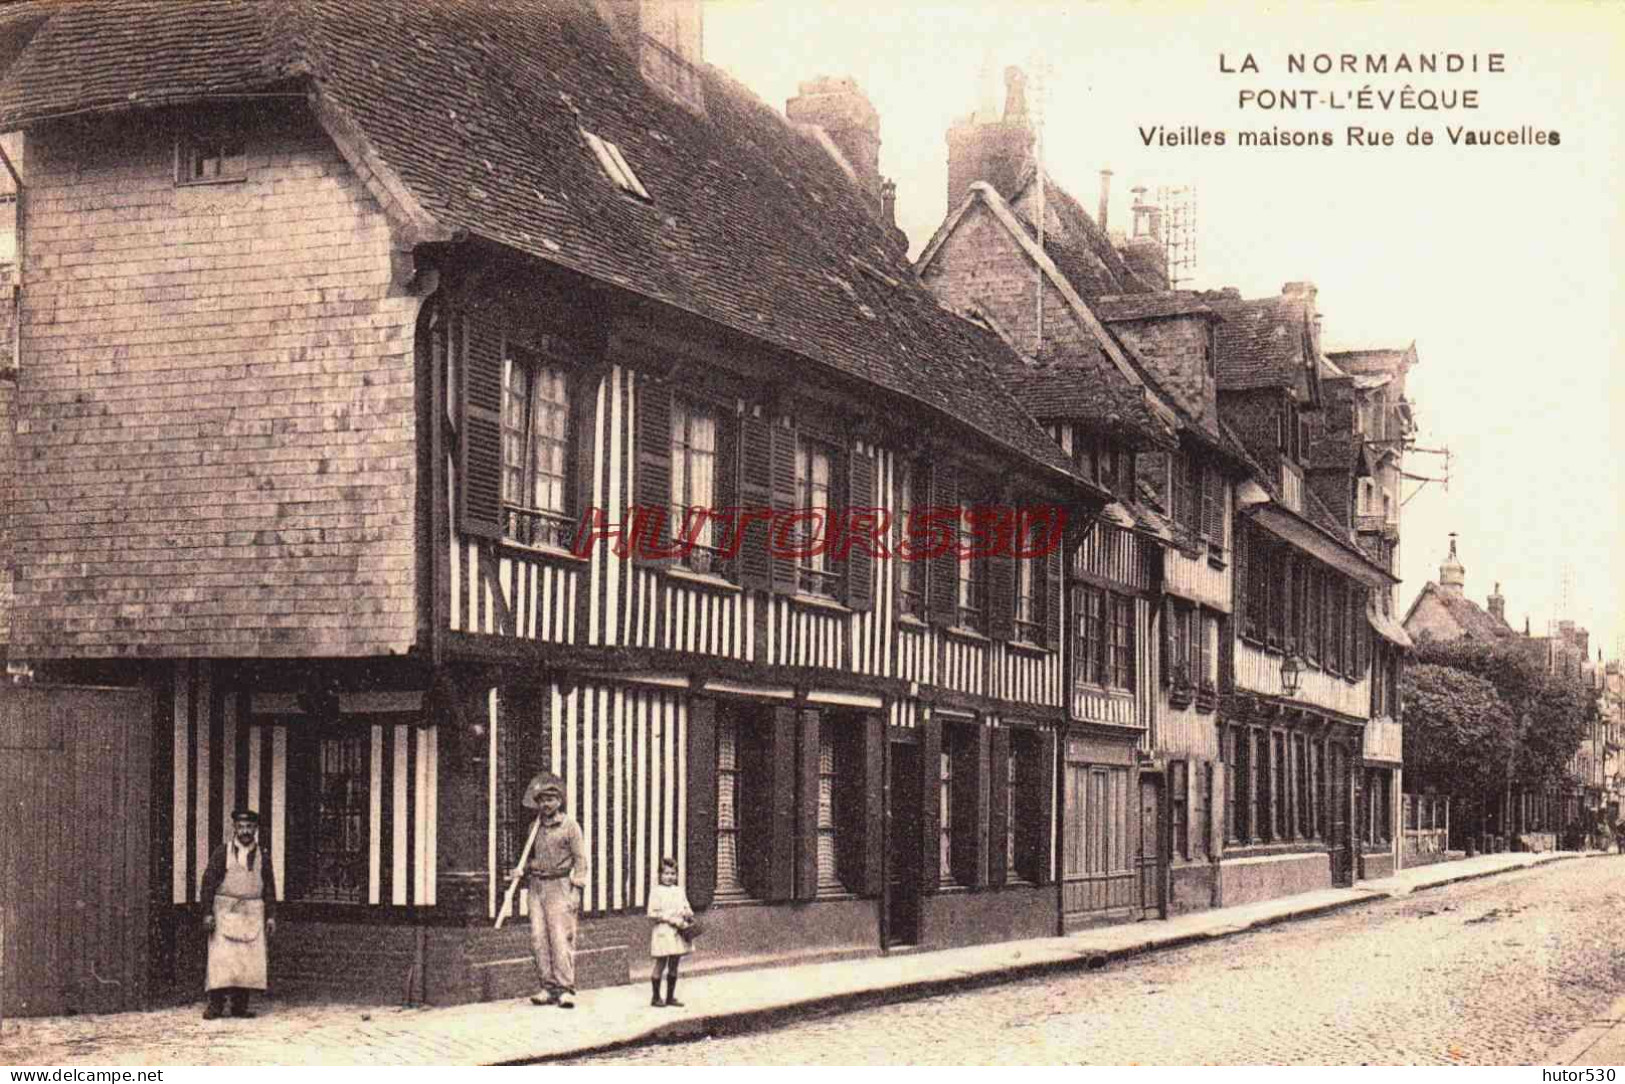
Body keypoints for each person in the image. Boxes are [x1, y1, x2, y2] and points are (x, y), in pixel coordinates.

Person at [514, 771, 587, 1008]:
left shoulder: (570, 826)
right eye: (541, 800)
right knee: (538, 938)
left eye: (550, 799)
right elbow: (530, 858)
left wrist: (576, 891)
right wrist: (521, 869)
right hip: (536, 887)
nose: (545, 804)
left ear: (559, 801)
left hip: (560, 885)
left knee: (560, 937)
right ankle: (547, 987)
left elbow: (581, 861)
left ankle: (565, 989)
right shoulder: (533, 828)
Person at [200, 808, 277, 1020]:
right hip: (225, 910)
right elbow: (207, 884)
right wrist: (207, 913)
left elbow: (269, 887)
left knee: (246, 961)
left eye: (249, 827)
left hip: (252, 912)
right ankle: (215, 1006)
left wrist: (271, 916)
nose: (245, 831)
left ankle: (239, 1007)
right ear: (234, 828)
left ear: (255, 829)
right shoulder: (221, 853)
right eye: (241, 827)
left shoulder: (263, 856)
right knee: (221, 961)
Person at [646, 857, 693, 1008]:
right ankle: (655, 996)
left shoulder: (679, 891)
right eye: (666, 873)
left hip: (678, 931)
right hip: (664, 930)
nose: (669, 877)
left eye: (673, 873)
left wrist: (687, 914)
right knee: (661, 962)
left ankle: (670, 997)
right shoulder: (656, 892)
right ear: (660, 875)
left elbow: (686, 906)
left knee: (674, 963)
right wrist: (671, 920)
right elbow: (652, 914)